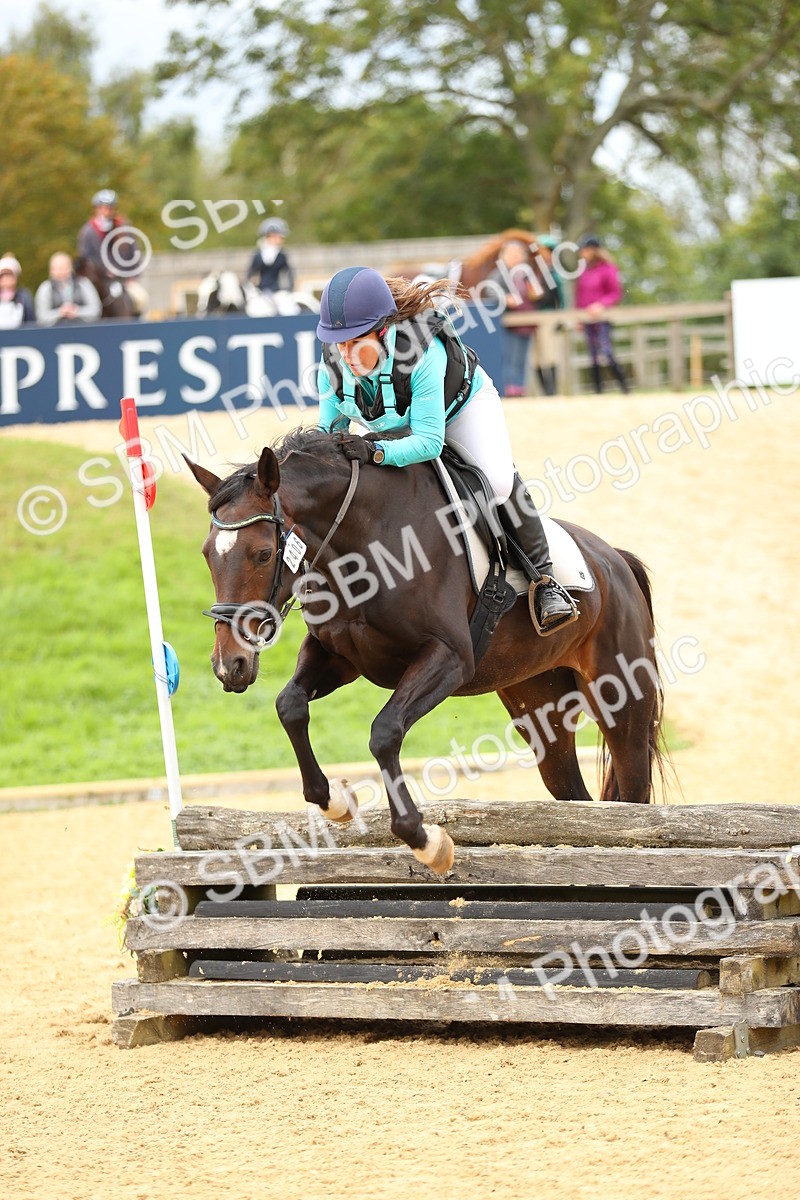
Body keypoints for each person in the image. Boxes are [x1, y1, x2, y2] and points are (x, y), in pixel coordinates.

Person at [315, 266, 577, 634]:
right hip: (390, 426)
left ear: (382, 330)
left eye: (356, 341)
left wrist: (375, 452)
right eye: (339, 343)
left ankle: (544, 581)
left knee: (497, 481)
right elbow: (327, 436)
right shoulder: (332, 367)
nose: (346, 355)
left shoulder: (420, 355)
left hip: (460, 409)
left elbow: (428, 442)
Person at [77, 189, 149, 316]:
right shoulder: (88, 232)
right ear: (96, 209)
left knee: (141, 299)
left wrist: (132, 277)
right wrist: (104, 272)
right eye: (102, 208)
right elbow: (85, 260)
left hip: (124, 280)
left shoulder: (124, 228)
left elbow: (135, 254)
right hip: (99, 281)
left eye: (109, 208)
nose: (106, 212)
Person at [575, 234, 629, 393]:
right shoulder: (583, 270)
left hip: (602, 318)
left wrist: (601, 305)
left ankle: (624, 388)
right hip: (586, 318)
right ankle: (598, 391)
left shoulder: (608, 269)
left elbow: (615, 293)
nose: (582, 253)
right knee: (592, 355)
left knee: (606, 352)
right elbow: (580, 295)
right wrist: (578, 317)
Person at [488, 239, 538, 397]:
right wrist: (505, 298)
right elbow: (490, 290)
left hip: (526, 321)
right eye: (511, 254)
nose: (515, 257)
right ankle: (510, 388)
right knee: (510, 356)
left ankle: (520, 387)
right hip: (508, 322)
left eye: (518, 254)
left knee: (522, 358)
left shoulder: (526, 273)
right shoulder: (499, 274)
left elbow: (536, 292)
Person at [530, 235, 565, 396]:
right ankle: (545, 392)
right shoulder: (532, 273)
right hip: (531, 318)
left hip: (548, 315)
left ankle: (552, 392)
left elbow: (561, 298)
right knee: (536, 356)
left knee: (549, 354)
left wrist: (560, 318)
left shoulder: (553, 274)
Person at [35, 252, 101, 326]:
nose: (60, 272)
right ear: (51, 271)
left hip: (83, 330)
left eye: (64, 268)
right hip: (54, 333)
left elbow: (96, 310)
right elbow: (41, 317)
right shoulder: (45, 288)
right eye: (57, 268)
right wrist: (60, 313)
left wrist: (77, 312)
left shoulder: (83, 283)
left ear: (71, 268)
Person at [246, 218, 295, 296]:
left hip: (278, 292)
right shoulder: (258, 255)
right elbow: (250, 273)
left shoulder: (281, 256)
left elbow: (289, 274)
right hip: (260, 292)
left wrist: (289, 290)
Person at [0, 254, 35, 329]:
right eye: (3, 276)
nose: (6, 279)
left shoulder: (25, 297)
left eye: (9, 275)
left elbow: (31, 322)